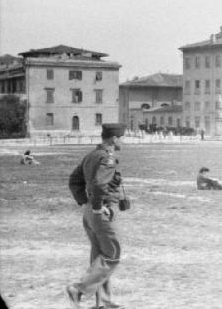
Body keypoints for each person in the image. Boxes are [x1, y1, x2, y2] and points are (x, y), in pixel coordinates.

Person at [66, 123, 127, 309]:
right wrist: (98, 206)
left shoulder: (91, 155)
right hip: (101, 212)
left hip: (90, 213)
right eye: (121, 137)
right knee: (112, 255)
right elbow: (100, 184)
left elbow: (74, 180)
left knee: (99, 256)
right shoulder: (106, 158)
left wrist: (86, 202)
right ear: (113, 138)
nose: (122, 140)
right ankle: (79, 289)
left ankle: (103, 303)